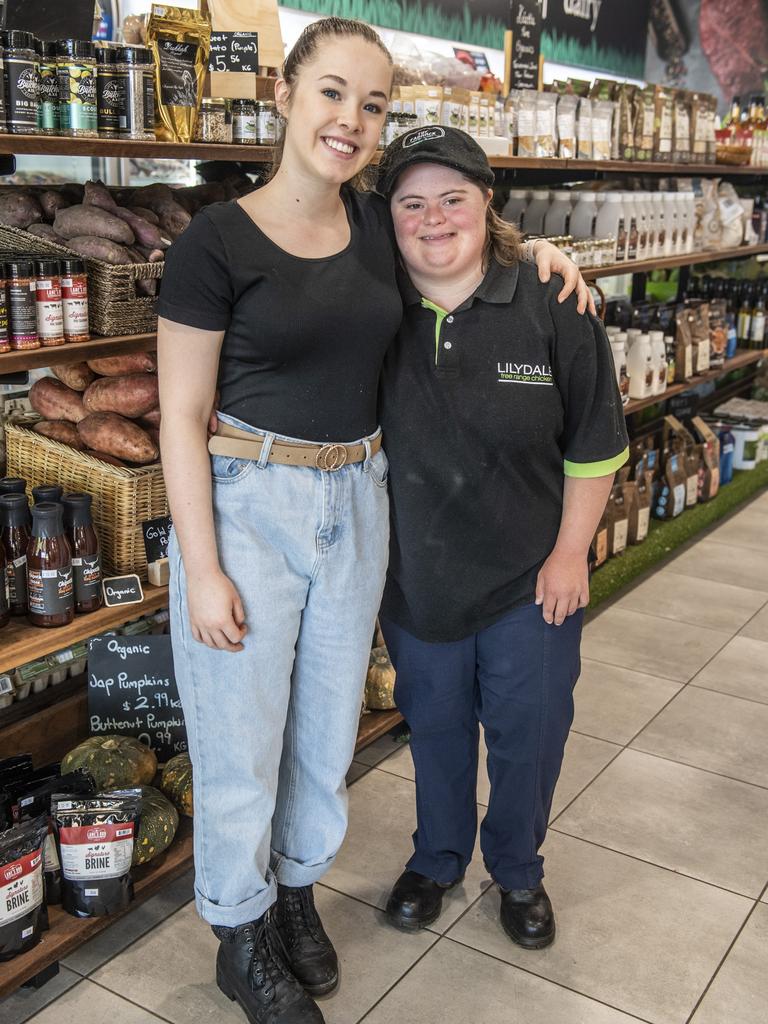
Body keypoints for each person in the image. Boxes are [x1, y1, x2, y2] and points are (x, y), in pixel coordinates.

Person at [157, 18, 591, 1024]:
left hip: (357, 500)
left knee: (322, 727)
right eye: (332, 93)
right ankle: (239, 928)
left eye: (374, 103)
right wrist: (203, 565)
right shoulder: (212, 242)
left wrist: (545, 250)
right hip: (250, 502)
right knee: (238, 734)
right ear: (284, 96)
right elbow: (180, 414)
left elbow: (456, 239)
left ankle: (296, 889)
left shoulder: (370, 231)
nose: (351, 120)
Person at [375, 126, 629, 949]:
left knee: (530, 734)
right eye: (412, 202)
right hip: (421, 578)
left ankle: (517, 870)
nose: (434, 218)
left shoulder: (552, 301)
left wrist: (569, 554)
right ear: (388, 218)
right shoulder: (370, 305)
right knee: (437, 728)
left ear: (489, 202)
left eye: (454, 197)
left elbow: (595, 440)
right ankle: (437, 859)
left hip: (531, 577)